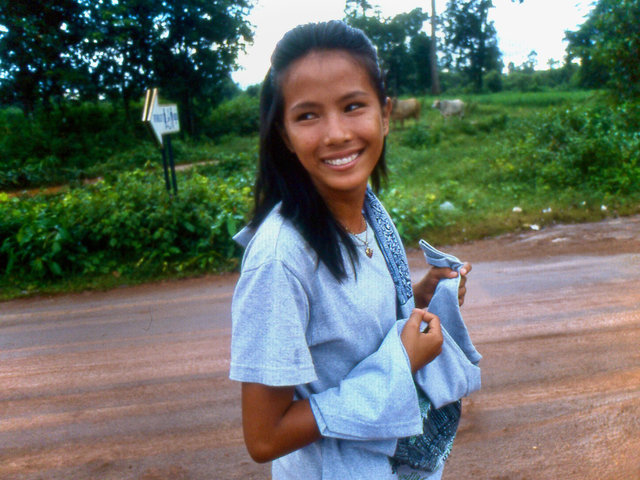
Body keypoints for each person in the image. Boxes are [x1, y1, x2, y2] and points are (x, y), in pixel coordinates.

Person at [229, 20, 472, 480]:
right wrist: (400, 364)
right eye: (307, 115)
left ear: (384, 113)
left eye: (352, 106)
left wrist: (422, 294)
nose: (336, 133)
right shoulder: (280, 259)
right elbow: (264, 437)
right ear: (283, 133)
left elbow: (351, 332)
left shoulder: (368, 211)